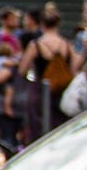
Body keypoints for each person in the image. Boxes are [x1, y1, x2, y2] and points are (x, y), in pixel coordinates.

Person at [17, 8, 76, 143]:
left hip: (39, 91)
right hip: (60, 91)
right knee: (58, 130)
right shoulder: (66, 44)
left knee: (39, 132)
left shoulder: (36, 45)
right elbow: (73, 69)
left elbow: (22, 69)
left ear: (41, 24)